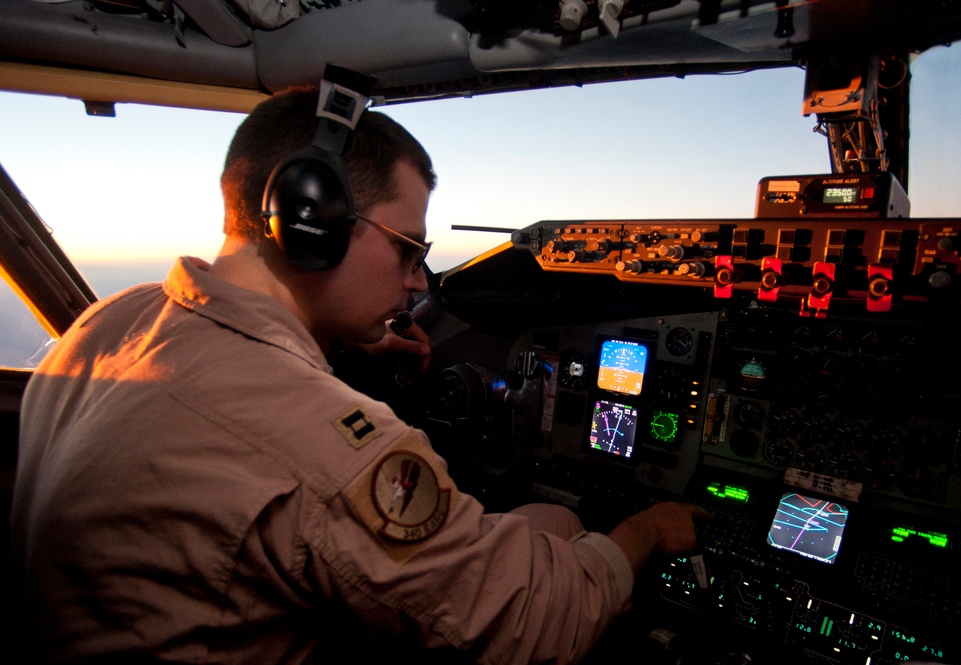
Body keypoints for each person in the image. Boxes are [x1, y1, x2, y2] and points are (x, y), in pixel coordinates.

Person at [12, 84, 709, 664]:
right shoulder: (322, 442)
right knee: (557, 526)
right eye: (409, 249)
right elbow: (534, 620)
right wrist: (641, 534)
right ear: (311, 221)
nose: (415, 285)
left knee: (538, 521)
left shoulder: (112, 321)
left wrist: (343, 346)